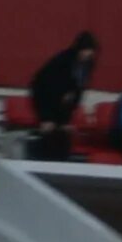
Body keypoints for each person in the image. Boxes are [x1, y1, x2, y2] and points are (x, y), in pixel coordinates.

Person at [26, 31, 97, 160]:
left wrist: (67, 120)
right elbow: (43, 90)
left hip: (64, 107)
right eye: (85, 51)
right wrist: (45, 118)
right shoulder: (62, 62)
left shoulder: (86, 66)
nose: (87, 55)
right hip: (46, 100)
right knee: (49, 135)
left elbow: (77, 93)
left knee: (64, 136)